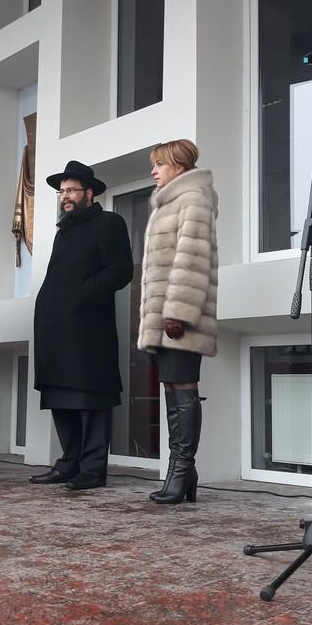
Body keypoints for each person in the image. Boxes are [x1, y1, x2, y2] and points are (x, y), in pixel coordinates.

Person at [30, 161, 133, 490]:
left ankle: (92, 469)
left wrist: (81, 295)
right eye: (62, 191)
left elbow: (120, 270)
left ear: (89, 193)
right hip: (55, 327)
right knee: (60, 397)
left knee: (91, 398)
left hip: (87, 327)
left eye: (71, 190)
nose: (65, 196)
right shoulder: (64, 229)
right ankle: (68, 463)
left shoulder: (109, 223)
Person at [138, 140, 219, 504]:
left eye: (159, 164)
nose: (153, 171)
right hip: (165, 317)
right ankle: (185, 473)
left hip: (180, 316)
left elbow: (191, 258)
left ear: (179, 166)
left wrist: (177, 312)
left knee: (183, 388)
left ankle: (182, 470)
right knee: (172, 388)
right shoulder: (168, 202)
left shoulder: (193, 199)